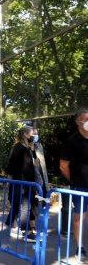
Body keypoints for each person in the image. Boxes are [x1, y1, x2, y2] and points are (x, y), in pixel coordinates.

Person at [5, 125, 46, 243]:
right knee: (24, 207)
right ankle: (26, 232)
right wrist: (10, 181)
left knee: (28, 206)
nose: (35, 135)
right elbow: (11, 166)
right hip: (20, 183)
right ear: (25, 134)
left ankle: (23, 227)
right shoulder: (18, 148)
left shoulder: (28, 148)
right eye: (32, 133)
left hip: (29, 183)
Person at [60, 110, 88, 260]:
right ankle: (80, 248)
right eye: (87, 119)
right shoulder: (72, 141)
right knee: (79, 217)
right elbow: (63, 165)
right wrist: (74, 181)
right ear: (79, 122)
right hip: (80, 187)